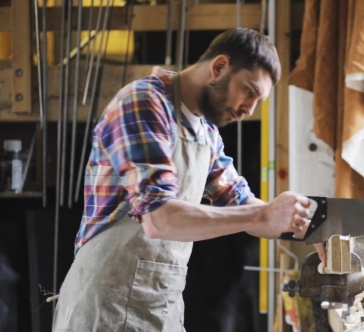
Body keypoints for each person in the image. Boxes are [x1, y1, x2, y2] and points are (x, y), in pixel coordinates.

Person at [52, 28, 325, 332]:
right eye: (249, 91)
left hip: (160, 305)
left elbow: (244, 205)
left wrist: (313, 225)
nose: (249, 110)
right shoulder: (144, 103)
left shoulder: (206, 133)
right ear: (219, 67)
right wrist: (264, 212)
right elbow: (159, 219)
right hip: (105, 304)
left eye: (258, 100)